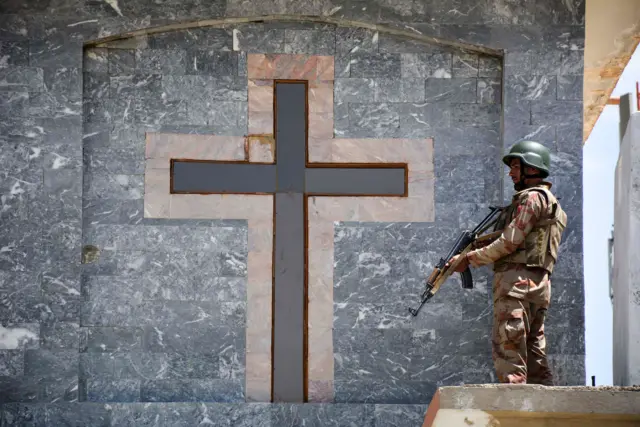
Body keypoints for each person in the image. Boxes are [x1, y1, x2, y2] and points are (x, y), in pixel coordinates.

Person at [446, 140, 567, 385]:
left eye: (515, 166)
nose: (511, 172)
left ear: (532, 168)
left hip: (516, 283)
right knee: (533, 349)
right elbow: (522, 240)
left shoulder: (531, 198)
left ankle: (515, 404)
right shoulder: (552, 202)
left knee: (509, 344)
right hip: (539, 284)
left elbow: (510, 242)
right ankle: (545, 406)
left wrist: (469, 259)